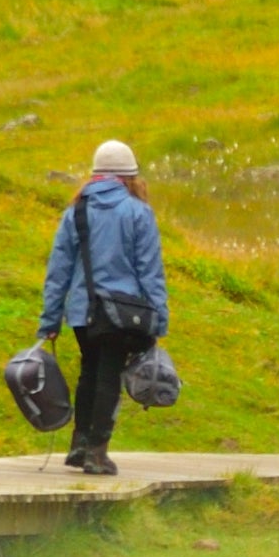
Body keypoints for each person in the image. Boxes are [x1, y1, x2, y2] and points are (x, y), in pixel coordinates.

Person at [35, 139, 169, 478]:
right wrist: (159, 320)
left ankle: (79, 445)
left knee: (89, 372)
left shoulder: (75, 211)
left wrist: (51, 318)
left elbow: (58, 270)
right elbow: (150, 272)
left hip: (82, 312)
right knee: (108, 374)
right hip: (123, 313)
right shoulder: (139, 213)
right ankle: (97, 452)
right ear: (128, 177)